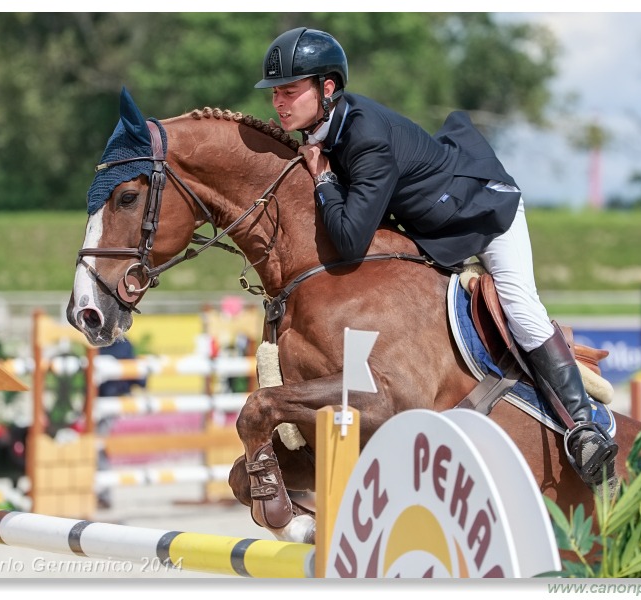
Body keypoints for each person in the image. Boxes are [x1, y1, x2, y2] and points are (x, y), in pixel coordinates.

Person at [254, 26, 617, 486]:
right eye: (275, 94)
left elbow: (347, 241)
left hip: (483, 214)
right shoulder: (322, 131)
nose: (279, 103)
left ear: (327, 88)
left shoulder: (364, 136)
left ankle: (583, 428)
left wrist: (323, 180)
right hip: (431, 231)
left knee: (522, 311)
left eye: (289, 90)